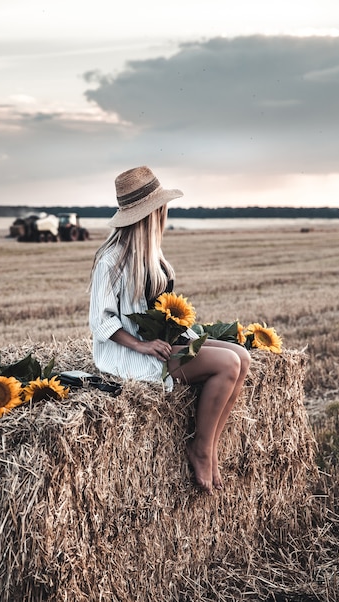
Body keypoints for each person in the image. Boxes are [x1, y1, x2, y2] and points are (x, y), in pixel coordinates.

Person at [89, 166, 250, 494]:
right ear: (152, 214)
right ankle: (200, 450)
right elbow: (101, 321)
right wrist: (141, 346)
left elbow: (162, 315)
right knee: (228, 365)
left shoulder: (152, 259)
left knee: (241, 356)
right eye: (161, 209)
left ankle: (211, 447)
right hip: (127, 356)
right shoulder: (110, 261)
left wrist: (189, 335)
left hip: (156, 345)